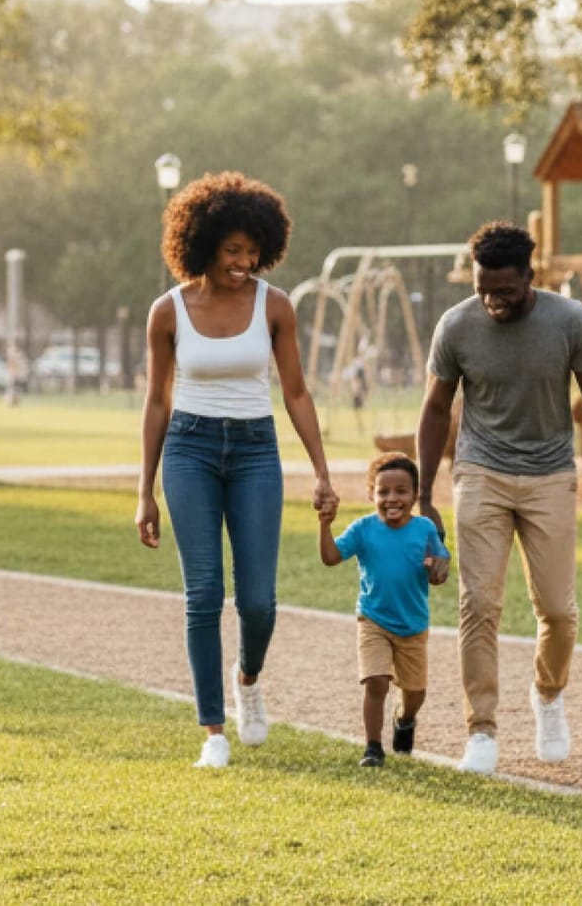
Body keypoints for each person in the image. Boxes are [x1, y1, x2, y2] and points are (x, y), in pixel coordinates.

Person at [135, 171, 339, 770]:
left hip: (254, 451)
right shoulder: (166, 312)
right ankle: (213, 731)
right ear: (202, 245)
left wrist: (322, 471)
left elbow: (297, 393)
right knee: (203, 595)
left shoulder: (274, 306)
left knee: (258, 602)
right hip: (189, 450)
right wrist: (144, 492)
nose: (244, 263)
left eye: (253, 251)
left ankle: (248, 678)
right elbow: (156, 402)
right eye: (232, 251)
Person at [414, 222, 582, 776]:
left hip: (550, 474)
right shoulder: (457, 325)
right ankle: (480, 729)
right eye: (484, 288)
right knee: (478, 604)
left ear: (530, 279)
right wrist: (424, 493)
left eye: (504, 290)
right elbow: (436, 409)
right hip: (480, 471)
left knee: (557, 609)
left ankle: (548, 695)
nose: (493, 301)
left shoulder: (569, 321)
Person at [319, 452, 450, 767]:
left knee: (415, 693)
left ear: (415, 495)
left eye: (401, 491)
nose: (392, 498)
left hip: (413, 625)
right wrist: (325, 526)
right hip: (373, 619)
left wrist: (437, 569)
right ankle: (373, 748)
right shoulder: (363, 529)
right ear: (371, 494)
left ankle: (404, 719)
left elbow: (440, 570)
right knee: (376, 680)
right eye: (383, 492)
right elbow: (331, 557)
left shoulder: (425, 529)